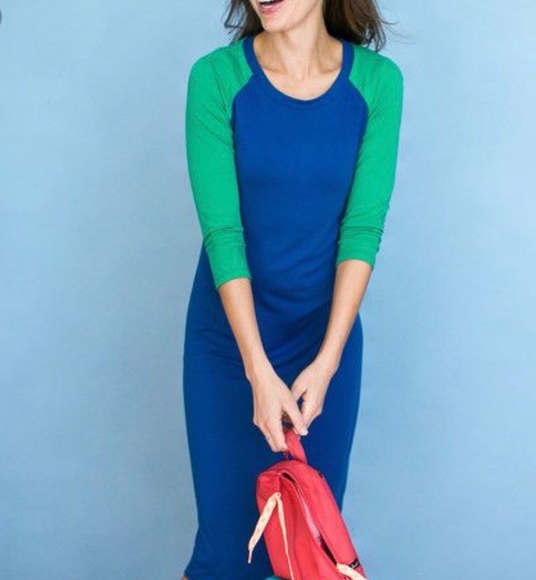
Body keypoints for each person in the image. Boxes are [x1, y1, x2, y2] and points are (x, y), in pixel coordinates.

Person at [180, 0, 404, 578]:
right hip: (230, 346)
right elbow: (223, 234)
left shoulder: (377, 84)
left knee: (305, 551)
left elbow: (362, 230)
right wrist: (256, 369)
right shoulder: (216, 79)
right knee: (225, 556)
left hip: (322, 349)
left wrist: (328, 362)